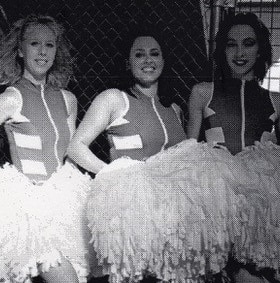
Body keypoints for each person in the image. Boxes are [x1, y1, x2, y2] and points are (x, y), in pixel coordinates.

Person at [67, 30, 233, 282]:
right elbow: (76, 147)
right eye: (139, 54)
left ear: (164, 61)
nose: (148, 61)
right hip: (132, 212)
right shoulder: (114, 99)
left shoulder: (173, 108)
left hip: (175, 214)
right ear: (127, 62)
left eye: (155, 54)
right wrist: (113, 174)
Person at [0, 14, 90, 283]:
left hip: (63, 205)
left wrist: (69, 187)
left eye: (49, 45)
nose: (42, 51)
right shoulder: (11, 98)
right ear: (20, 50)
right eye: (34, 44)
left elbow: (72, 152)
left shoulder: (68, 99)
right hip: (27, 209)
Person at [188, 12, 280, 282]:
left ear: (260, 51)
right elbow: (187, 152)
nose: (239, 52)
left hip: (261, 208)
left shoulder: (278, 102)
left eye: (248, 43)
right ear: (222, 51)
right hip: (215, 201)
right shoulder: (202, 92)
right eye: (231, 44)